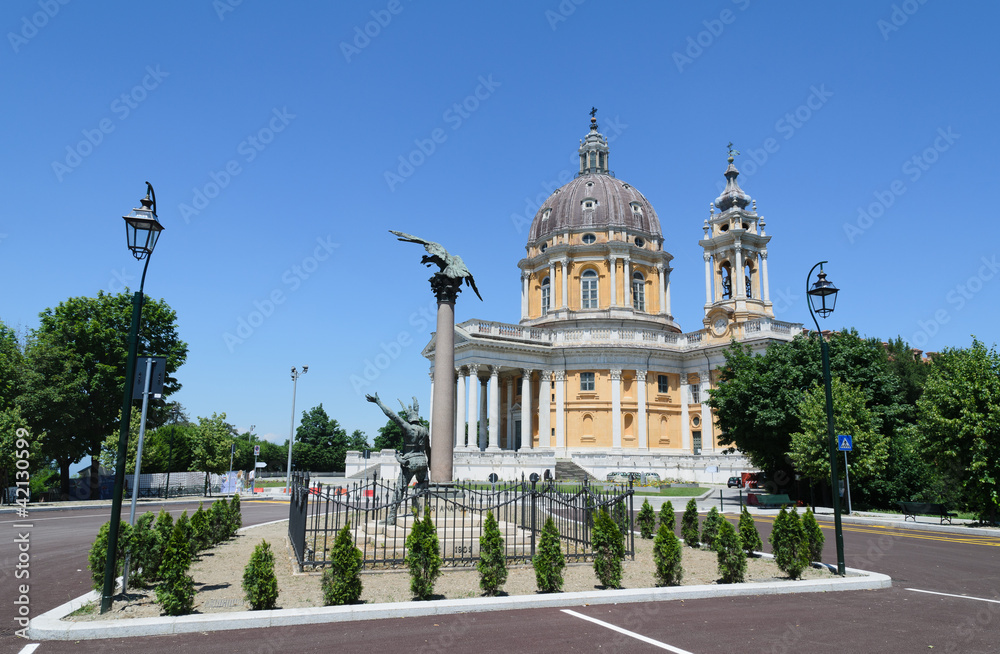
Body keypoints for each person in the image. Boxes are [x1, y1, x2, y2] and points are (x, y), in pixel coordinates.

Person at [366, 392, 430, 525]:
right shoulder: (425, 430)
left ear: (409, 418)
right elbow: (428, 449)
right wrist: (430, 464)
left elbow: (392, 415)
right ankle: (419, 510)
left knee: (400, 490)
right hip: (423, 462)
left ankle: (391, 517)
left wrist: (379, 402)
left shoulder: (408, 428)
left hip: (410, 462)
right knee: (422, 487)